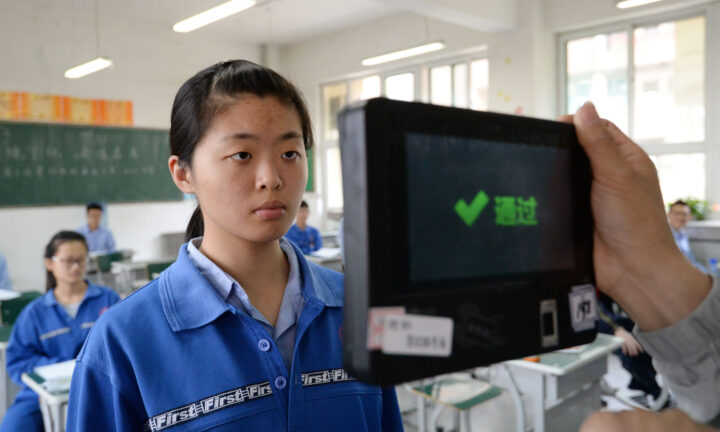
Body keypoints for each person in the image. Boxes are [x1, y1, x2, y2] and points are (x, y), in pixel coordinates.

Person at [66, 60, 402, 431]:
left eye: (289, 153)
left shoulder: (356, 309)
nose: (271, 179)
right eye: (242, 155)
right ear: (183, 173)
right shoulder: (122, 342)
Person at [553, 103, 720, 431]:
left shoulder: (677, 240)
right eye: (678, 214)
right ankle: (651, 389)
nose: (682, 219)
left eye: (686, 215)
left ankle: (652, 390)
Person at [0, 231, 119, 432]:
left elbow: (123, 346)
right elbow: (18, 360)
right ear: (49, 263)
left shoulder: (108, 300)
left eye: (81, 260)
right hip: (43, 391)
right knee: (13, 426)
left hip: (99, 385)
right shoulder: (35, 312)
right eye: (68, 261)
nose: (76, 267)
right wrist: (53, 372)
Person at [668, 199, 707, 272]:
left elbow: (691, 260)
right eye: (677, 213)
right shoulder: (665, 237)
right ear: (669, 214)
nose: (680, 217)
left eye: (684, 214)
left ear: (689, 217)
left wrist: (706, 274)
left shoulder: (683, 235)